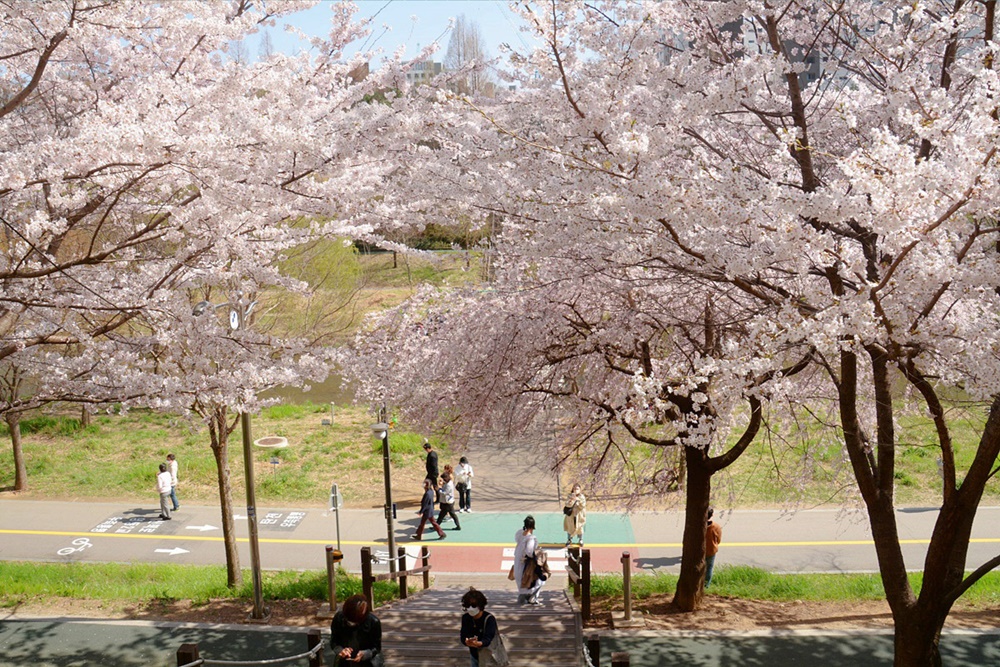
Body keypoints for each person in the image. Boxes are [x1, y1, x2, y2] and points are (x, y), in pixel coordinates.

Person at [330, 594, 383, 667]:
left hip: (368, 662)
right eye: (348, 621)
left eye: (354, 623)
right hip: (345, 662)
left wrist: (365, 653)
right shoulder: (339, 618)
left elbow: (377, 647)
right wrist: (340, 650)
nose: (351, 624)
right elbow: (334, 641)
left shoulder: (374, 622)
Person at [460, 588, 498, 667]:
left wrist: (479, 643)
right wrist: (466, 641)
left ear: (480, 605)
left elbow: (488, 638)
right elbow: (463, 635)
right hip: (474, 654)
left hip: (489, 655)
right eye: (468, 605)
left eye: (473, 605)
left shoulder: (489, 619)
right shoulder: (465, 618)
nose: (470, 608)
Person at [513, 515, 543, 604]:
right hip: (525, 563)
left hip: (517, 561)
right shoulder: (531, 538)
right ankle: (532, 597)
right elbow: (529, 551)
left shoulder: (519, 533)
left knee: (521, 581)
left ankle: (523, 597)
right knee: (539, 579)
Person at [563, 483, 587, 548]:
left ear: (580, 490)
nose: (576, 490)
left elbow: (583, 505)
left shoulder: (582, 497)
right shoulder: (570, 496)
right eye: (574, 489)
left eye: (577, 489)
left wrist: (578, 500)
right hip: (571, 515)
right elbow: (567, 504)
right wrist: (572, 500)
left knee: (580, 527)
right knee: (570, 527)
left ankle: (580, 539)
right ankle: (569, 539)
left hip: (579, 515)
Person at [705, 507, 723, 587]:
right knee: (709, 568)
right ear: (711, 515)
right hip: (711, 550)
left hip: (699, 551)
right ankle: (706, 585)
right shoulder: (716, 526)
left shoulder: (697, 526)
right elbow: (718, 540)